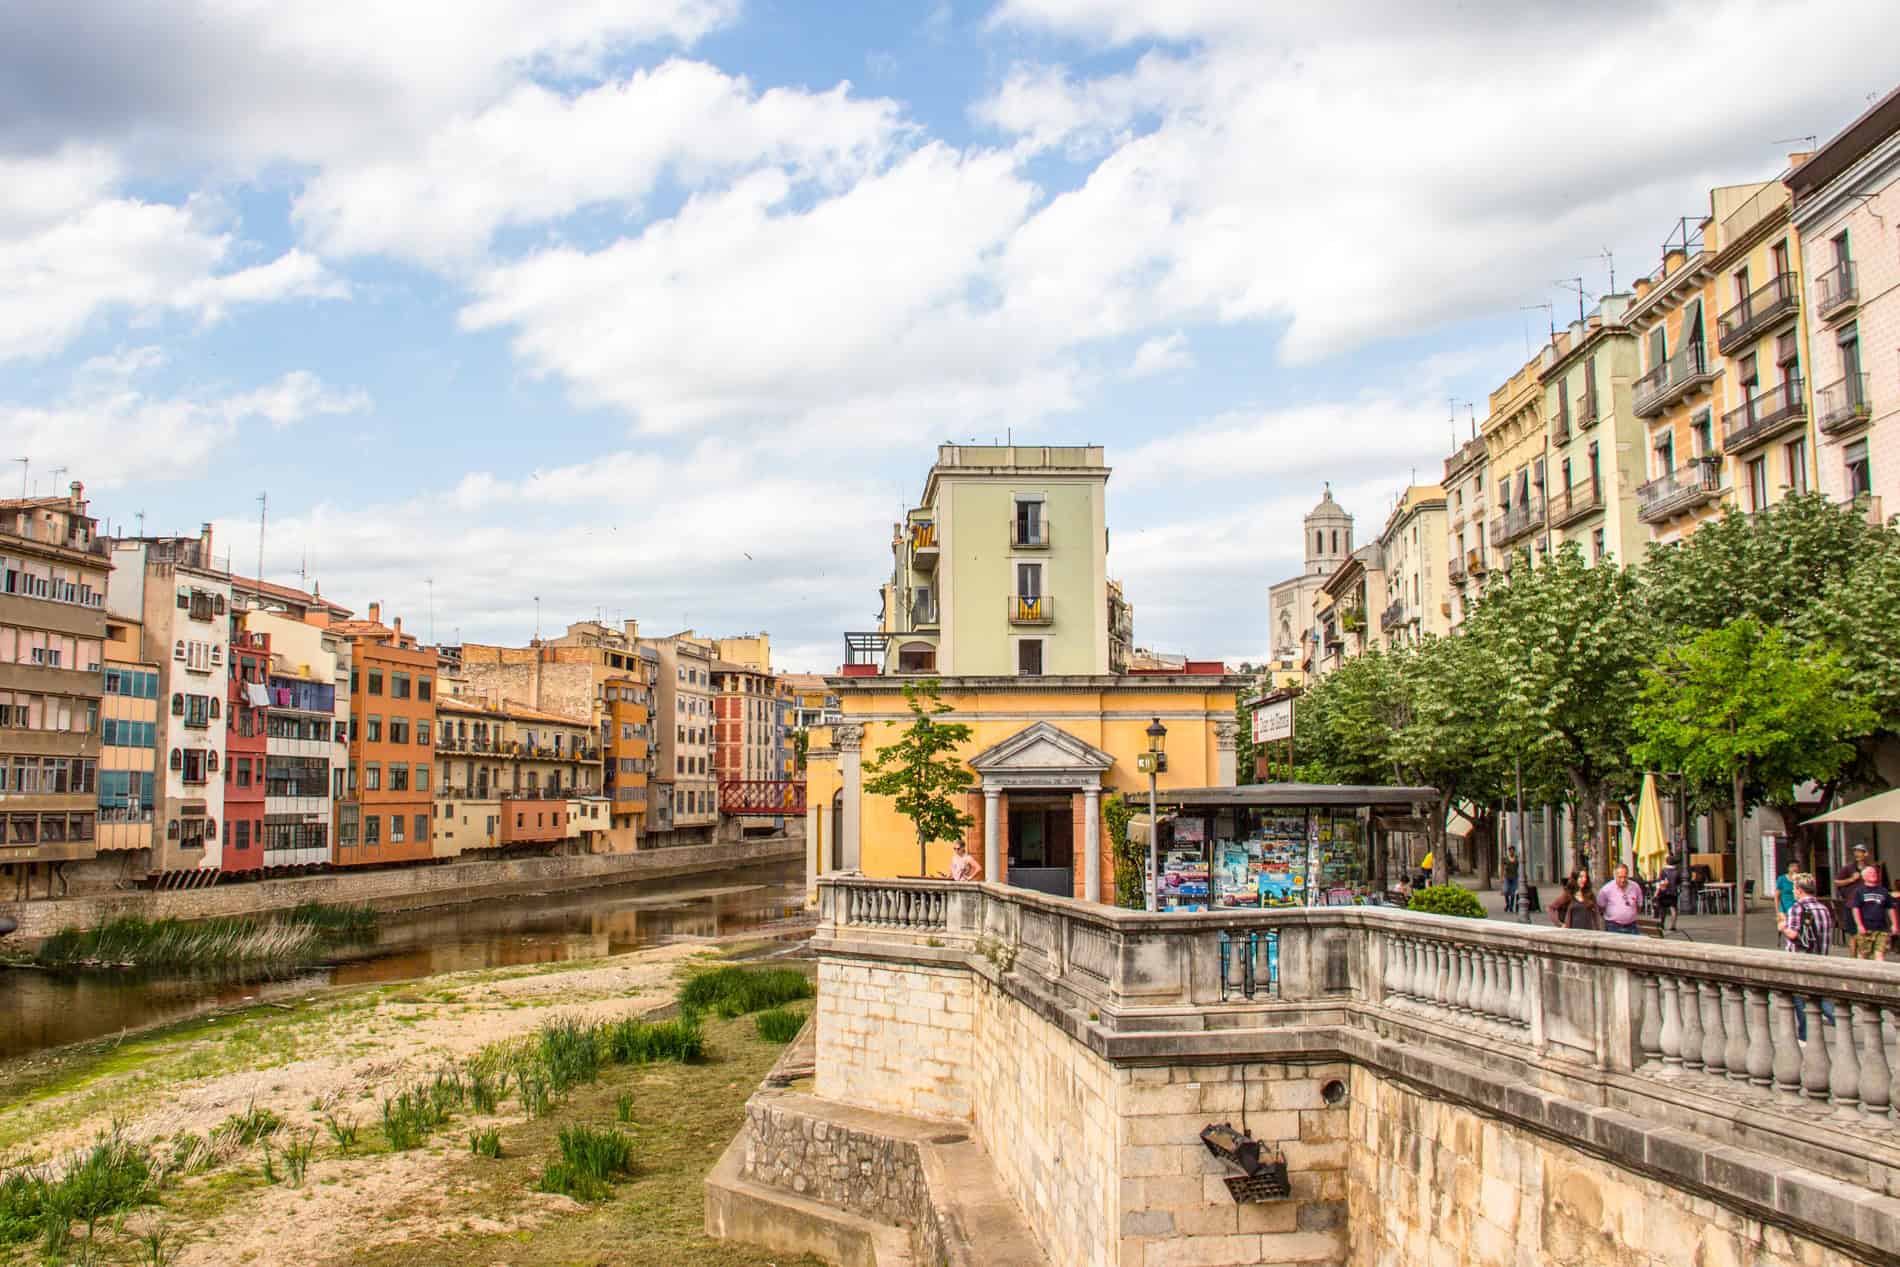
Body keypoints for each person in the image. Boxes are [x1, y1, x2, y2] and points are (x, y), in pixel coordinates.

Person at [1779, 873, 1836, 1042]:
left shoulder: (1797, 908)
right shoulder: (1823, 908)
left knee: (1799, 997)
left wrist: (1782, 927)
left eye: (1795, 889)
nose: (1794, 892)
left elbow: (1794, 935)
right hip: (1820, 957)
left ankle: (1805, 1035)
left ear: (1799, 890)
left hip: (1801, 959)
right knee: (1817, 994)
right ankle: (1837, 1020)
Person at [1848, 865, 1897, 960]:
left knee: (1880, 954)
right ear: (1864, 876)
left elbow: (1891, 908)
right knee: (1863, 955)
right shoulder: (1859, 891)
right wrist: (1859, 925)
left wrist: (1894, 924)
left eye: (1874, 873)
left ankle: (1879, 973)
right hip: (1866, 928)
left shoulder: (1883, 891)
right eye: (1870, 873)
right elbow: (1855, 909)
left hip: (1881, 929)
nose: (1873, 874)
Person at [1597, 864, 1644, 935]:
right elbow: (1601, 907)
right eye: (1620, 877)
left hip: (1632, 926)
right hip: (1613, 927)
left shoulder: (1635, 887)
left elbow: (1639, 905)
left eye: (1625, 877)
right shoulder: (1606, 889)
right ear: (1615, 876)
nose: (1623, 880)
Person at [1653, 851, 1684, 929]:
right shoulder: (1677, 871)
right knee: (1673, 908)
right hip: (1673, 892)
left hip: (1663, 892)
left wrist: (1656, 893)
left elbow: (1659, 882)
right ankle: (1673, 925)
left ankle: (1662, 924)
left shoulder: (1663, 870)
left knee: (1663, 909)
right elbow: (1679, 882)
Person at [1501, 847, 1520, 914]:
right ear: (1509, 852)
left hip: (1514, 877)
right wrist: (1502, 877)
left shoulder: (1517, 858)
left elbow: (1518, 866)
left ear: (1514, 851)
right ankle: (1508, 904)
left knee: (1513, 892)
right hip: (1507, 877)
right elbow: (1502, 868)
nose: (1511, 852)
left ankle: (1511, 907)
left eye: (1512, 851)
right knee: (1506, 891)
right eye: (1510, 851)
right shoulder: (1505, 859)